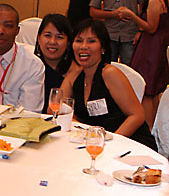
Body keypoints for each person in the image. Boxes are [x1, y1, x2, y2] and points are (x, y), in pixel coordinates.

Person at [60, 19, 157, 151]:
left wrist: (109, 144)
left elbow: (137, 116)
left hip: (129, 142)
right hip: (95, 144)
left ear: (103, 47)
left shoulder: (110, 74)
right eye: (79, 40)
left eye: (91, 41)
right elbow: (57, 109)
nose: (83, 46)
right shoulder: (75, 76)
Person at [119, 0, 169, 128]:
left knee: (147, 89)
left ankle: (147, 127)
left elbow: (151, 27)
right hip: (157, 46)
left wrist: (131, 15)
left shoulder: (154, 0)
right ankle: (153, 126)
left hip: (151, 48)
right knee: (153, 91)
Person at [34, 14, 79, 113]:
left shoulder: (76, 71)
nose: (53, 42)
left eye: (59, 37)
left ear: (68, 42)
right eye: (47, 35)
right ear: (39, 38)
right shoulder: (30, 66)